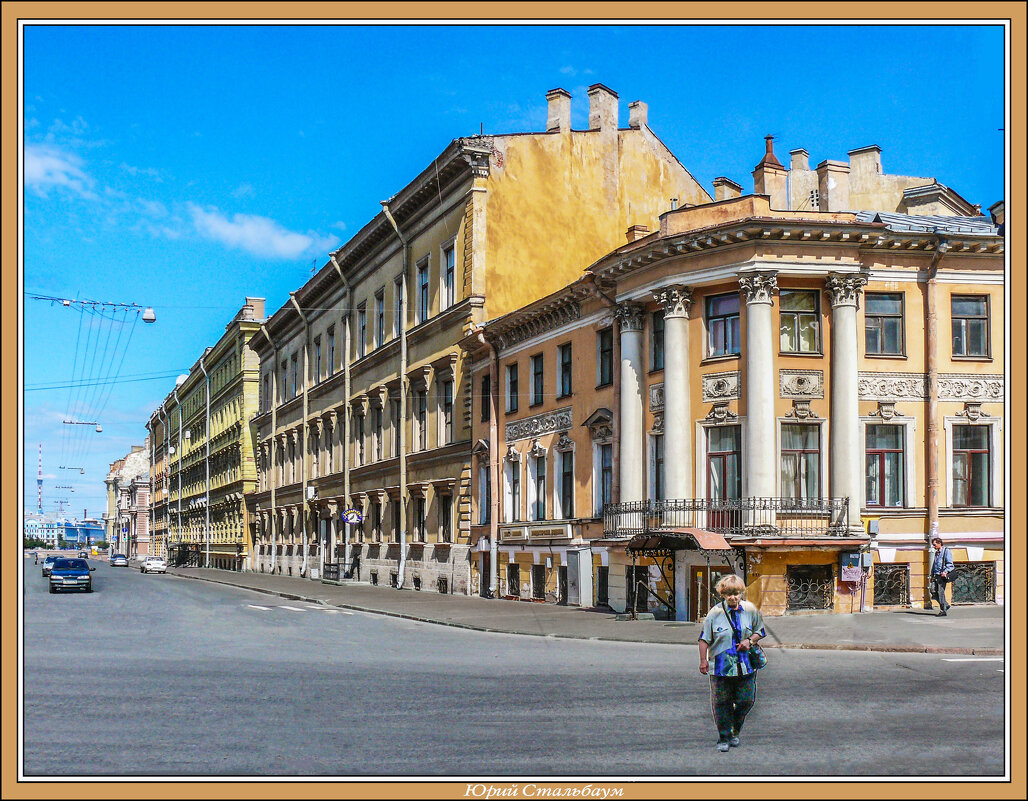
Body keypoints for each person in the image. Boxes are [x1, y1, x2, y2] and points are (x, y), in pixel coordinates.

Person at [698, 574, 767, 752]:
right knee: (722, 703)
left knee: (746, 700)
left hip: (746, 665)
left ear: (741, 593)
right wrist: (703, 660)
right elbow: (704, 639)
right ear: (722, 594)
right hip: (720, 667)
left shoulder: (750, 609)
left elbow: (760, 631)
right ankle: (724, 737)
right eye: (728, 594)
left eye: (736, 593)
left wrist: (749, 641)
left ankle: (734, 729)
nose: (732, 597)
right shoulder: (715, 613)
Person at [930, 536, 954, 616]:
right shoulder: (937, 552)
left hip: (942, 575)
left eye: (934, 544)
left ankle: (943, 610)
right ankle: (945, 605)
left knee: (940, 592)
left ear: (939, 543)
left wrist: (945, 572)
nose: (934, 546)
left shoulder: (946, 551)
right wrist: (932, 575)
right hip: (936, 575)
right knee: (932, 591)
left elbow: (950, 564)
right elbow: (934, 564)